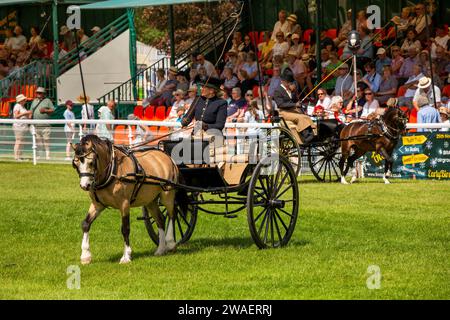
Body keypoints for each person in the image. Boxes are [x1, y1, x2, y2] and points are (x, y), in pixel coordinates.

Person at [273, 68, 315, 144]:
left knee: (306, 116)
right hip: (284, 112)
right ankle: (306, 136)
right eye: (288, 82)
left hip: (293, 111)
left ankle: (312, 133)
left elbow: (295, 100)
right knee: (300, 117)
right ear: (283, 81)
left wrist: (294, 92)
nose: (290, 84)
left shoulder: (291, 89)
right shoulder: (277, 91)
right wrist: (294, 104)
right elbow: (280, 104)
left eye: (290, 82)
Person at [31, 87, 54, 160]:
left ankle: (48, 155)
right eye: (37, 92)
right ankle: (40, 155)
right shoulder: (34, 101)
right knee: (38, 141)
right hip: (36, 125)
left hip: (45, 125)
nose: (38, 94)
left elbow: (53, 110)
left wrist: (45, 110)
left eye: (40, 93)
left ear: (43, 94)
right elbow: (31, 111)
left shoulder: (48, 101)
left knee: (46, 140)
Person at [13, 94, 32, 161]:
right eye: (24, 100)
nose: (25, 101)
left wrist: (29, 114)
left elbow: (26, 117)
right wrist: (26, 113)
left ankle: (20, 156)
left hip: (23, 127)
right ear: (20, 100)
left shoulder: (22, 107)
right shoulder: (17, 106)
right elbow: (16, 116)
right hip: (18, 127)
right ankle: (16, 157)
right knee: (18, 141)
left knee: (22, 142)